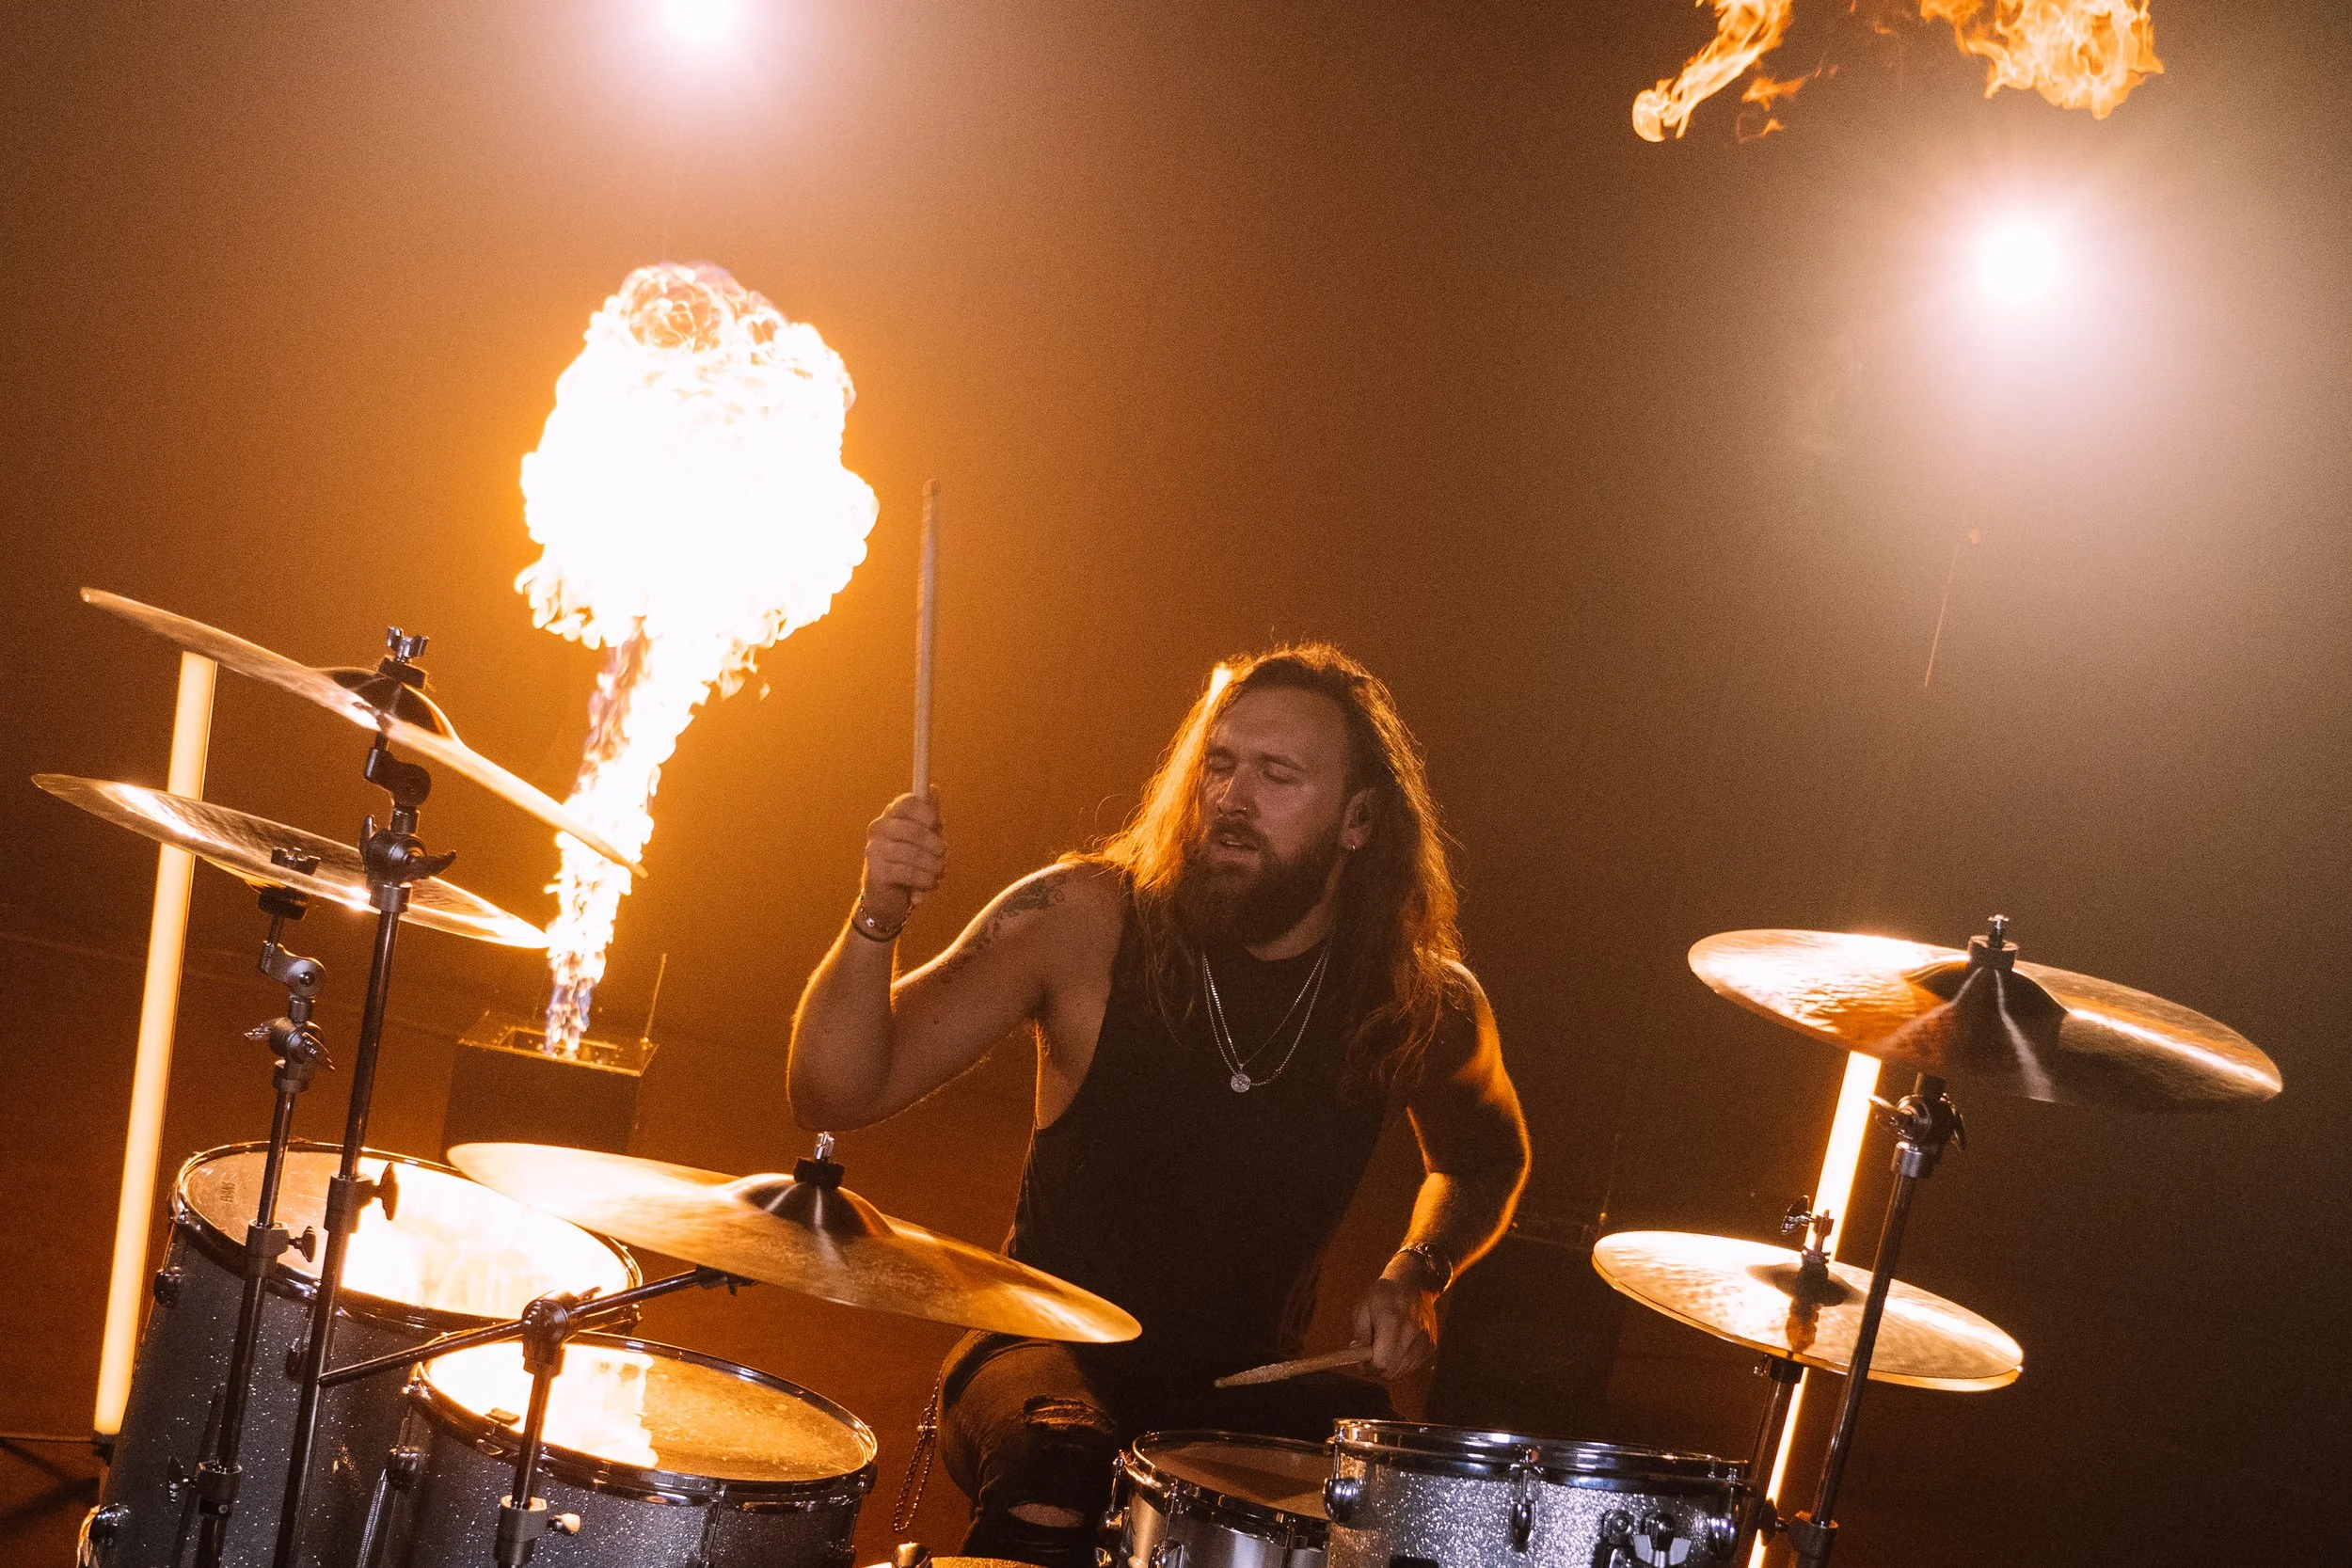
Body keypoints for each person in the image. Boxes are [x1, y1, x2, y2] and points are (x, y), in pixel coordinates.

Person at [787, 644, 1530, 1568]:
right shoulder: (1084, 920)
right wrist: (876, 913)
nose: (1232, 795)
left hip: (1246, 1380)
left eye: (1276, 774)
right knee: (1060, 1459)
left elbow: (1483, 1157)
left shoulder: (1419, 999)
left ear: (1359, 820)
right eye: (1219, 764)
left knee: (1397, 1505)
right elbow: (833, 1089)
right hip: (1042, 1348)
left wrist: (1420, 1271)